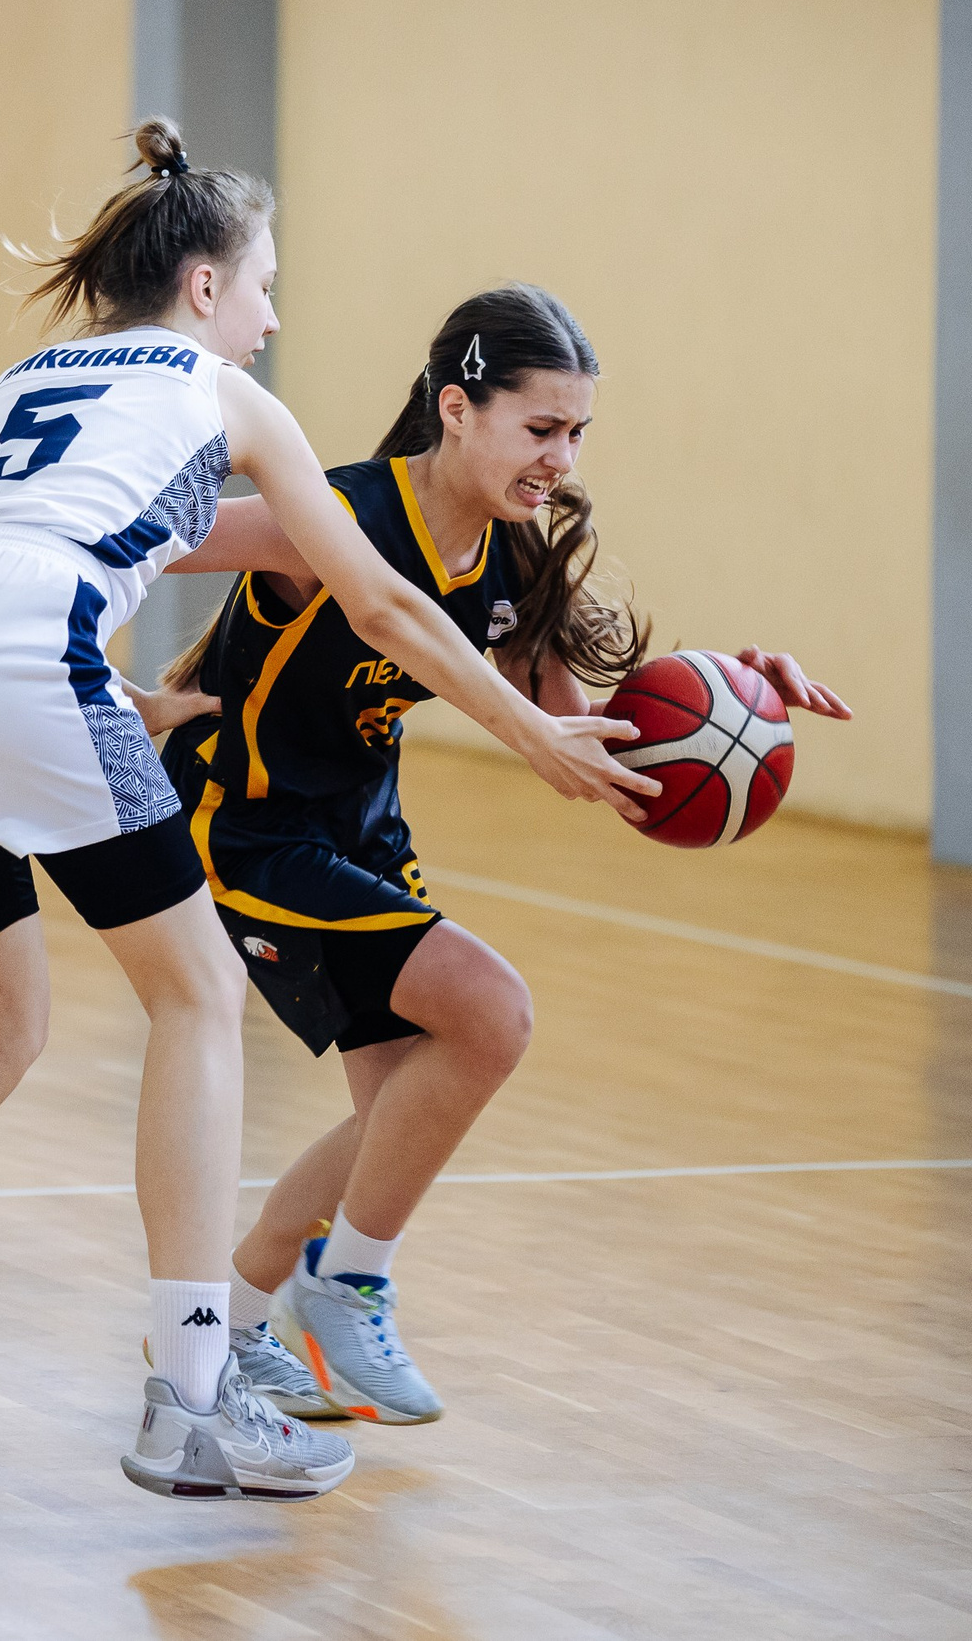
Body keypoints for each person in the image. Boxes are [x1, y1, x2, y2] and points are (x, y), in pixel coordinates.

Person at [0, 124, 659, 1525]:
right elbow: (384, 604)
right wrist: (527, 731)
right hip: (25, 646)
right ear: (207, 287)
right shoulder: (228, 395)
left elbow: (56, 539)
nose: (276, 315)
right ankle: (199, 1390)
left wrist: (124, 703)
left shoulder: (29, 375)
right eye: (268, 284)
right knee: (199, 992)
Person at [159, 284, 851, 1427]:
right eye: (541, 429)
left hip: (362, 835)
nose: (561, 458)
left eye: (577, 432)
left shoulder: (512, 559)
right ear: (457, 410)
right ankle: (346, 1287)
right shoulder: (331, 519)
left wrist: (733, 702)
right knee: (492, 1014)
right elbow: (138, 539)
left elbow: (585, 743)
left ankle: (235, 1327)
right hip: (248, 828)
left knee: (393, 1117)